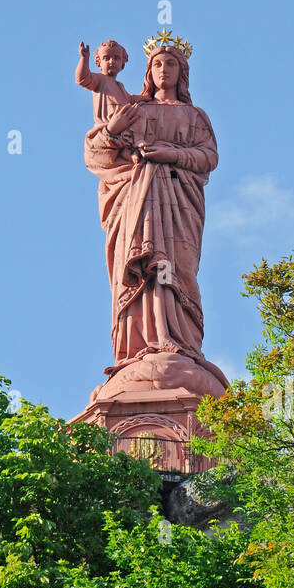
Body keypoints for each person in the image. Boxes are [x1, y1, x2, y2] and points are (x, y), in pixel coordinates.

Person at [83, 44, 220, 376]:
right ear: (148, 70)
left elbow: (209, 156)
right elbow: (95, 154)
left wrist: (168, 153)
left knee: (178, 270)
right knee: (143, 268)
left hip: (179, 204)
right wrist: (112, 131)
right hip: (137, 202)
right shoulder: (134, 109)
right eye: (157, 63)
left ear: (181, 72)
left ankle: (182, 344)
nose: (163, 69)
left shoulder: (195, 116)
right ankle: (139, 345)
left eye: (171, 64)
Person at [75, 39, 136, 123]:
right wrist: (84, 58)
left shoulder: (120, 86)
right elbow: (82, 78)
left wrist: (150, 96)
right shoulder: (100, 79)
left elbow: (131, 99)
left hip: (123, 125)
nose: (112, 61)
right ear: (99, 62)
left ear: (122, 62)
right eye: (106, 58)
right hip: (108, 123)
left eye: (116, 58)